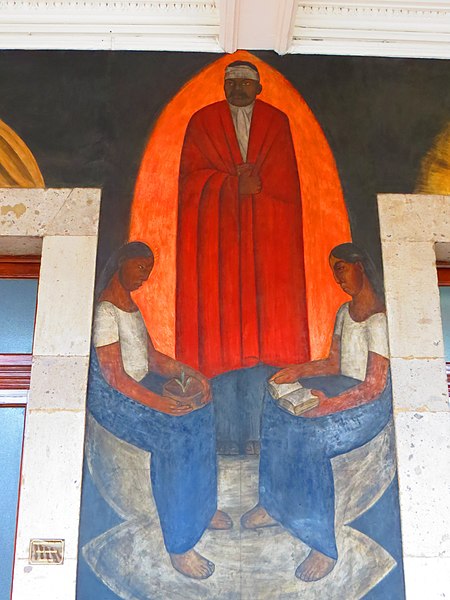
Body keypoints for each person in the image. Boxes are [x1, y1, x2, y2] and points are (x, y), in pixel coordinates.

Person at [176, 60, 309, 454]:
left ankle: (256, 436)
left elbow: (287, 186)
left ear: (259, 88)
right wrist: (230, 185)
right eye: (231, 82)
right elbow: (189, 183)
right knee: (220, 341)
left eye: (245, 83)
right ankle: (222, 437)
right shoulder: (203, 122)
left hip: (267, 251)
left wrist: (257, 190)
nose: (237, 88)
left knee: (263, 342)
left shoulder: (277, 122)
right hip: (217, 253)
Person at [241, 243, 392, 582]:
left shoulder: (379, 319)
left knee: (311, 438)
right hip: (340, 386)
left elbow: (373, 386)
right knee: (277, 408)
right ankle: (272, 504)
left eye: (341, 269)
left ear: (360, 266)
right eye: (335, 271)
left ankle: (322, 546)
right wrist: (296, 372)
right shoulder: (344, 312)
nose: (338, 278)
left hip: (368, 406)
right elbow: (333, 363)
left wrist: (328, 406)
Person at [87, 241, 232, 580]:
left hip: (140, 385)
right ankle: (180, 546)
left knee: (200, 413)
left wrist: (192, 373)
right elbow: (115, 378)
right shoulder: (106, 311)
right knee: (173, 435)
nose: (144, 276)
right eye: (140, 268)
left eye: (148, 270)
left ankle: (202, 509)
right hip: (115, 399)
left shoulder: (130, 306)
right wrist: (160, 403)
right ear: (122, 263)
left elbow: (151, 358)